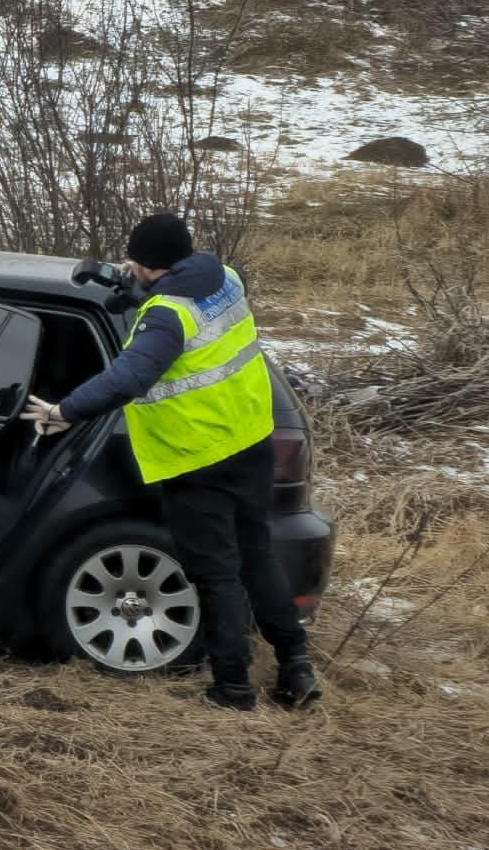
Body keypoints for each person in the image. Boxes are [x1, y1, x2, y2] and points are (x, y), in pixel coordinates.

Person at [23, 210, 312, 712]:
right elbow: (187, 306)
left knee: (217, 574)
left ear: (148, 264)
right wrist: (143, 285)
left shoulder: (165, 316)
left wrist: (64, 411)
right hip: (250, 444)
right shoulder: (226, 279)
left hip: (197, 461)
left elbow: (128, 377)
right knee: (257, 557)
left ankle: (233, 688)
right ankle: (296, 665)